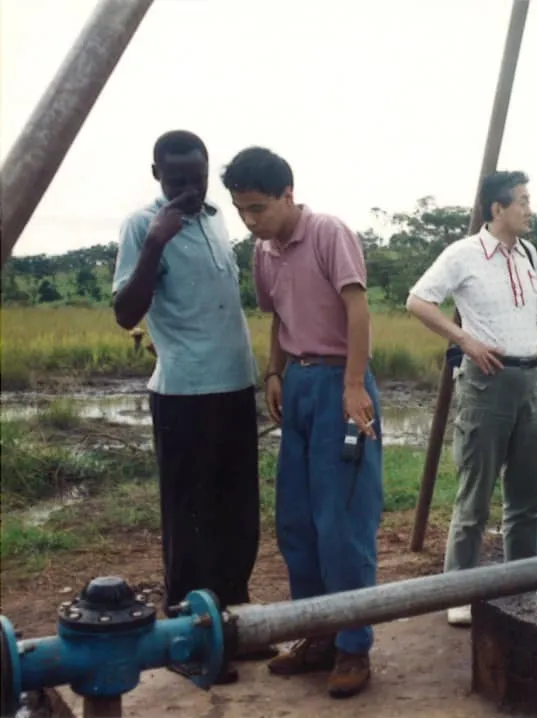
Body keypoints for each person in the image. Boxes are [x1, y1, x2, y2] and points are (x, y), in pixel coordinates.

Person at [220, 146, 382, 699]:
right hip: (299, 387)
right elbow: (278, 318)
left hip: (342, 384)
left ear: (288, 193)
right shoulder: (263, 251)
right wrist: (274, 372)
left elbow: (357, 310)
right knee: (297, 521)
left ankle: (353, 648)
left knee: (342, 524)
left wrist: (354, 386)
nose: (250, 220)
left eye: (258, 208)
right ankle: (316, 636)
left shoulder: (328, 233)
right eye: (241, 210)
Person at [111, 130, 270, 684]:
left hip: (233, 389)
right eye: (175, 179)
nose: (185, 189)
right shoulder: (142, 224)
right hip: (183, 395)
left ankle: (232, 629)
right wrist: (156, 242)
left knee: (237, 518)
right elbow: (125, 314)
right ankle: (183, 639)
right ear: (156, 174)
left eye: (195, 178)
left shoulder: (217, 218)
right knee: (190, 523)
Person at [405, 170, 537, 627]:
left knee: (526, 495)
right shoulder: (463, 254)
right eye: (523, 201)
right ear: (498, 209)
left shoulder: (528, 251)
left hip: (529, 382)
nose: (530, 209)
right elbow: (418, 300)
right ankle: (459, 591)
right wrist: (464, 340)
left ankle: (521, 583)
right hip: (486, 383)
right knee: (474, 498)